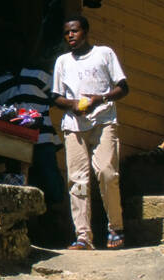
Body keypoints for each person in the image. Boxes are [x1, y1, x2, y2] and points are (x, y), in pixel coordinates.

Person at [49, 15, 130, 250]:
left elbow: (123, 88)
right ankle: (83, 236)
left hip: (104, 120)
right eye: (67, 33)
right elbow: (56, 97)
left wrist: (100, 98)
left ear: (85, 31)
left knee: (106, 173)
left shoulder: (104, 54)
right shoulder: (62, 62)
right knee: (77, 180)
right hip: (74, 126)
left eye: (74, 31)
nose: (70, 36)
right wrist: (73, 104)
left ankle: (115, 228)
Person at [0, 39, 66, 213]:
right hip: (13, 141)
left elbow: (57, 98)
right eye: (8, 51)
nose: (13, 54)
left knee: (50, 180)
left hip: (43, 138)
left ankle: (55, 222)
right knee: (18, 182)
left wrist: (37, 115)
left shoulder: (37, 75)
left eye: (17, 50)